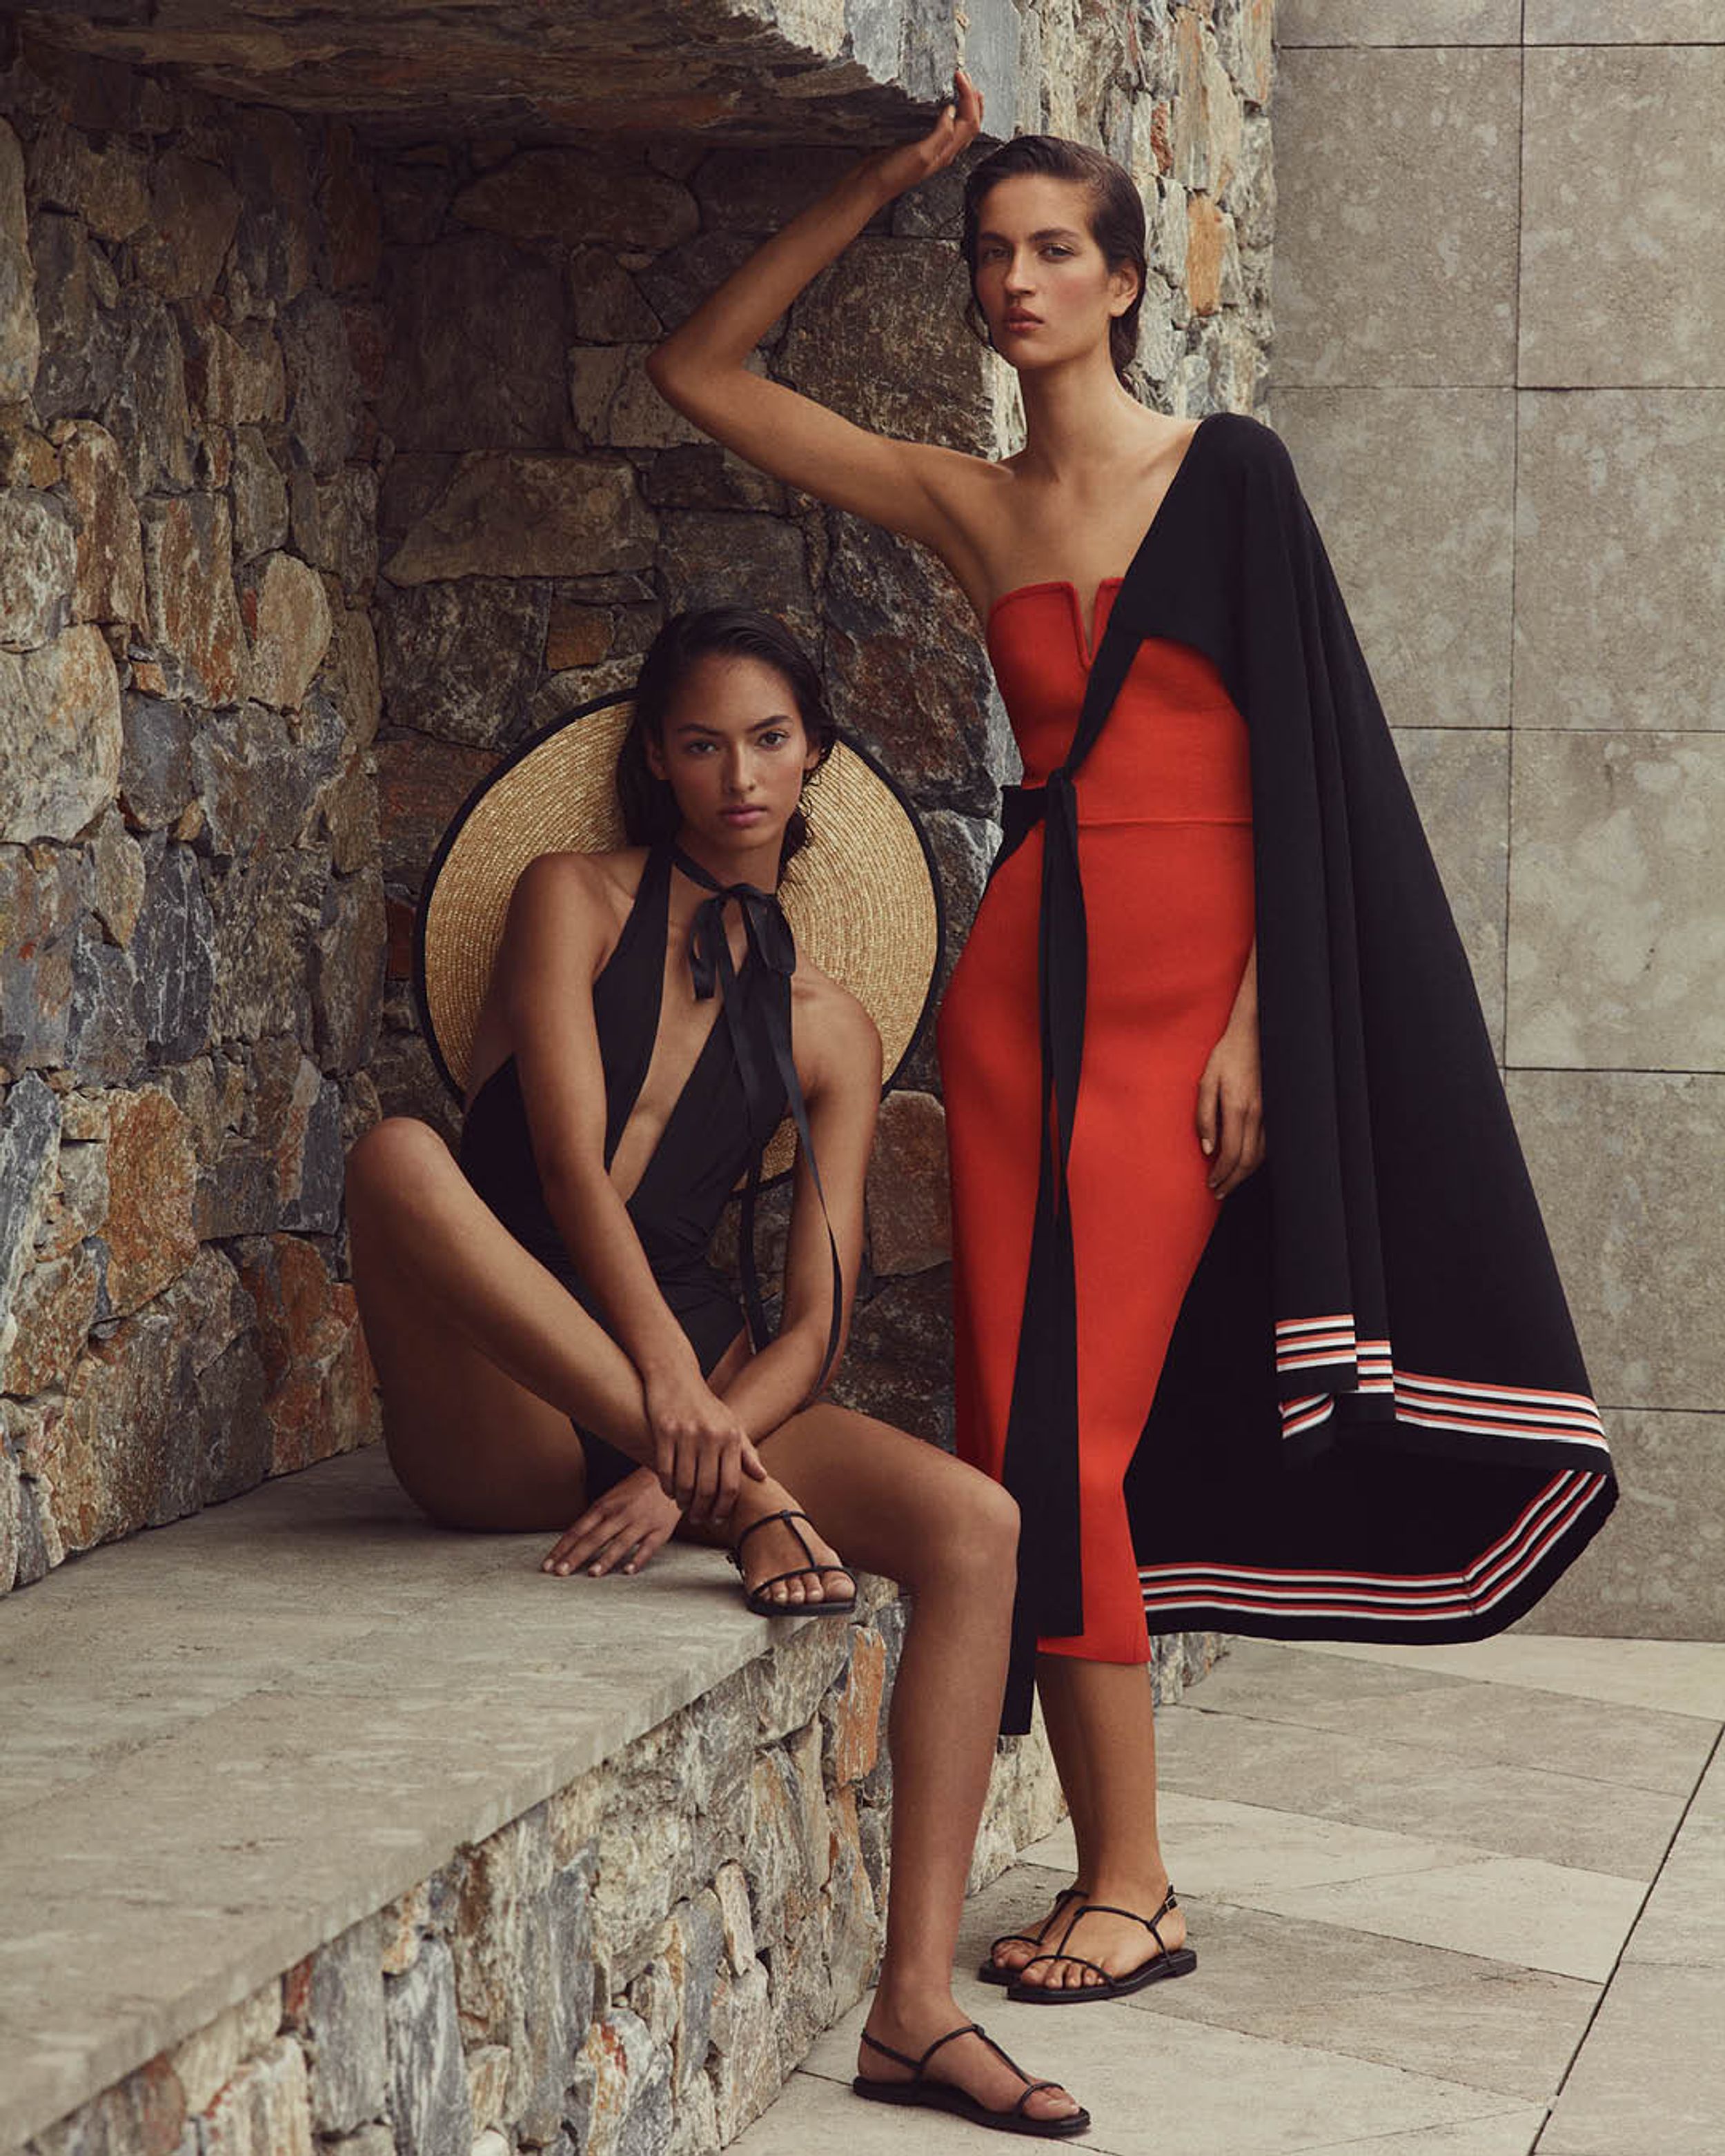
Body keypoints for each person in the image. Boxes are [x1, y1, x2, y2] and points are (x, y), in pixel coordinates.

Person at [643, 77, 1616, 2006]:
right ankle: (1122, 1874)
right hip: (1025, 990)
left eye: (1051, 251)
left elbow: (1306, 772)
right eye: (989, 253)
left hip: (1190, 997)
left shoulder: (1227, 472)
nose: (1012, 280)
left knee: (1076, 1423)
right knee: (1023, 1425)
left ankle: (1136, 1878)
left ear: (1119, 283)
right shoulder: (970, 500)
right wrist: (881, 174)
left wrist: (1266, 1020)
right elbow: (703, 368)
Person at [344, 606, 1091, 2137]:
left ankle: (912, 2012)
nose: (737, 773)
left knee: (980, 1528)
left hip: (682, 1416)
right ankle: (726, 1481)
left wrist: (686, 1444)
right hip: (504, 1387)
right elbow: (560, 1170)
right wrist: (709, 1456)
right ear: (656, 760)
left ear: (812, 756)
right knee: (400, 1157)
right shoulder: (570, 900)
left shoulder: (833, 1026)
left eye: (767, 739)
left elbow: (814, 1325)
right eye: (702, 741)